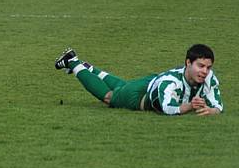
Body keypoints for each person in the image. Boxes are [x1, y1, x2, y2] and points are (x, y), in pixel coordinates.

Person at [54, 44, 223, 116]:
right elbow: (166, 108)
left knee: (122, 87)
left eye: (208, 67)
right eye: (200, 66)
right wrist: (190, 106)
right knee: (110, 97)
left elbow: (218, 104)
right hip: (139, 97)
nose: (205, 71)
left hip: (150, 84)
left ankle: (89, 69)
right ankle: (73, 62)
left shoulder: (210, 78)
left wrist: (212, 111)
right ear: (188, 63)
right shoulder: (171, 82)